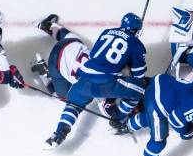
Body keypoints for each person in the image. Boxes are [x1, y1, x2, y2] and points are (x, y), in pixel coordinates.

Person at [45, 13, 147, 148]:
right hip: (103, 81)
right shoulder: (137, 44)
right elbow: (139, 75)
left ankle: (59, 133)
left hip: (83, 77)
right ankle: (119, 117)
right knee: (141, 89)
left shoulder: (107, 32)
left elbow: (94, 55)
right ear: (136, 29)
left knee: (73, 105)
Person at [30, 14, 117, 118]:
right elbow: (107, 110)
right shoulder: (99, 93)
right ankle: (43, 71)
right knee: (64, 98)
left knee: (74, 40)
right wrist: (118, 117)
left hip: (71, 45)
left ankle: (47, 25)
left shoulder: (113, 70)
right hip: (56, 61)